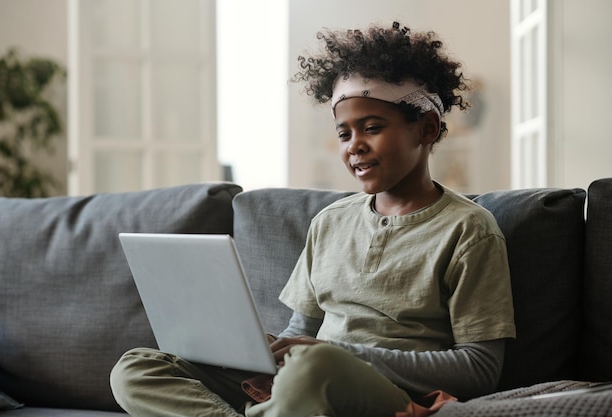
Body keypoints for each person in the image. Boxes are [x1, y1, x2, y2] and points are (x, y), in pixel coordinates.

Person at [110, 21, 516, 417]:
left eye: (372, 128)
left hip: (375, 390)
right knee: (135, 367)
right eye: (344, 134)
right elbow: (298, 331)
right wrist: (259, 351)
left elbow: (479, 368)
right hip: (303, 379)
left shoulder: (469, 230)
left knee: (315, 369)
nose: (355, 146)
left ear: (425, 128)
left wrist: (336, 353)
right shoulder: (330, 222)